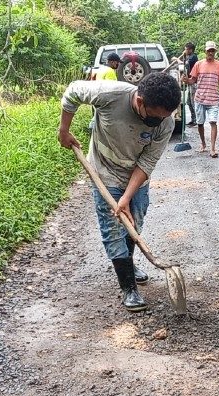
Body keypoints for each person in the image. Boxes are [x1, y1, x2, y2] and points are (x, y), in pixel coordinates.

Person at [58, 73, 181, 312]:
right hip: (105, 171)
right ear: (139, 102)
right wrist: (64, 130)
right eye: (154, 119)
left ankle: (129, 263)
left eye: (164, 118)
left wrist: (125, 198)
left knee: (135, 222)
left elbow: (147, 163)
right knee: (113, 227)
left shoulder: (166, 122)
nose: (159, 123)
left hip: (136, 177)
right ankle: (128, 287)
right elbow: (72, 91)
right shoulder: (110, 95)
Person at [182, 40, 219, 158]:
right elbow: (193, 80)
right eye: (209, 51)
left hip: (213, 99)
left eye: (213, 51)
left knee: (213, 122)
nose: (211, 53)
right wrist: (186, 80)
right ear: (205, 51)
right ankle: (203, 144)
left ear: (215, 52)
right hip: (200, 99)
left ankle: (213, 148)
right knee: (200, 123)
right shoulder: (198, 64)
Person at [173, 43, 198, 126]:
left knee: (193, 101)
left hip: (194, 82)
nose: (185, 51)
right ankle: (193, 119)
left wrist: (177, 59)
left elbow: (185, 64)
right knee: (188, 102)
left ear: (191, 50)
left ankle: (196, 120)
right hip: (189, 82)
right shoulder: (188, 56)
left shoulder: (193, 57)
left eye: (186, 49)